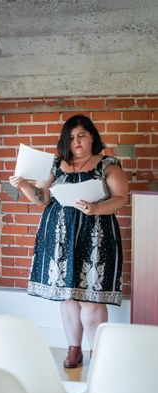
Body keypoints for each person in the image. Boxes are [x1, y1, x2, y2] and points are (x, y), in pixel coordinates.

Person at [9, 114, 128, 368]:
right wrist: (24, 186)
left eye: (81, 135)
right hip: (59, 238)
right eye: (71, 137)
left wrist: (95, 209)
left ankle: (99, 354)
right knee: (68, 297)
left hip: (95, 236)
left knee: (91, 298)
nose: (76, 141)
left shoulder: (107, 164)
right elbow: (41, 199)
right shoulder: (56, 165)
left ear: (92, 137)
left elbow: (121, 197)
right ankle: (73, 350)